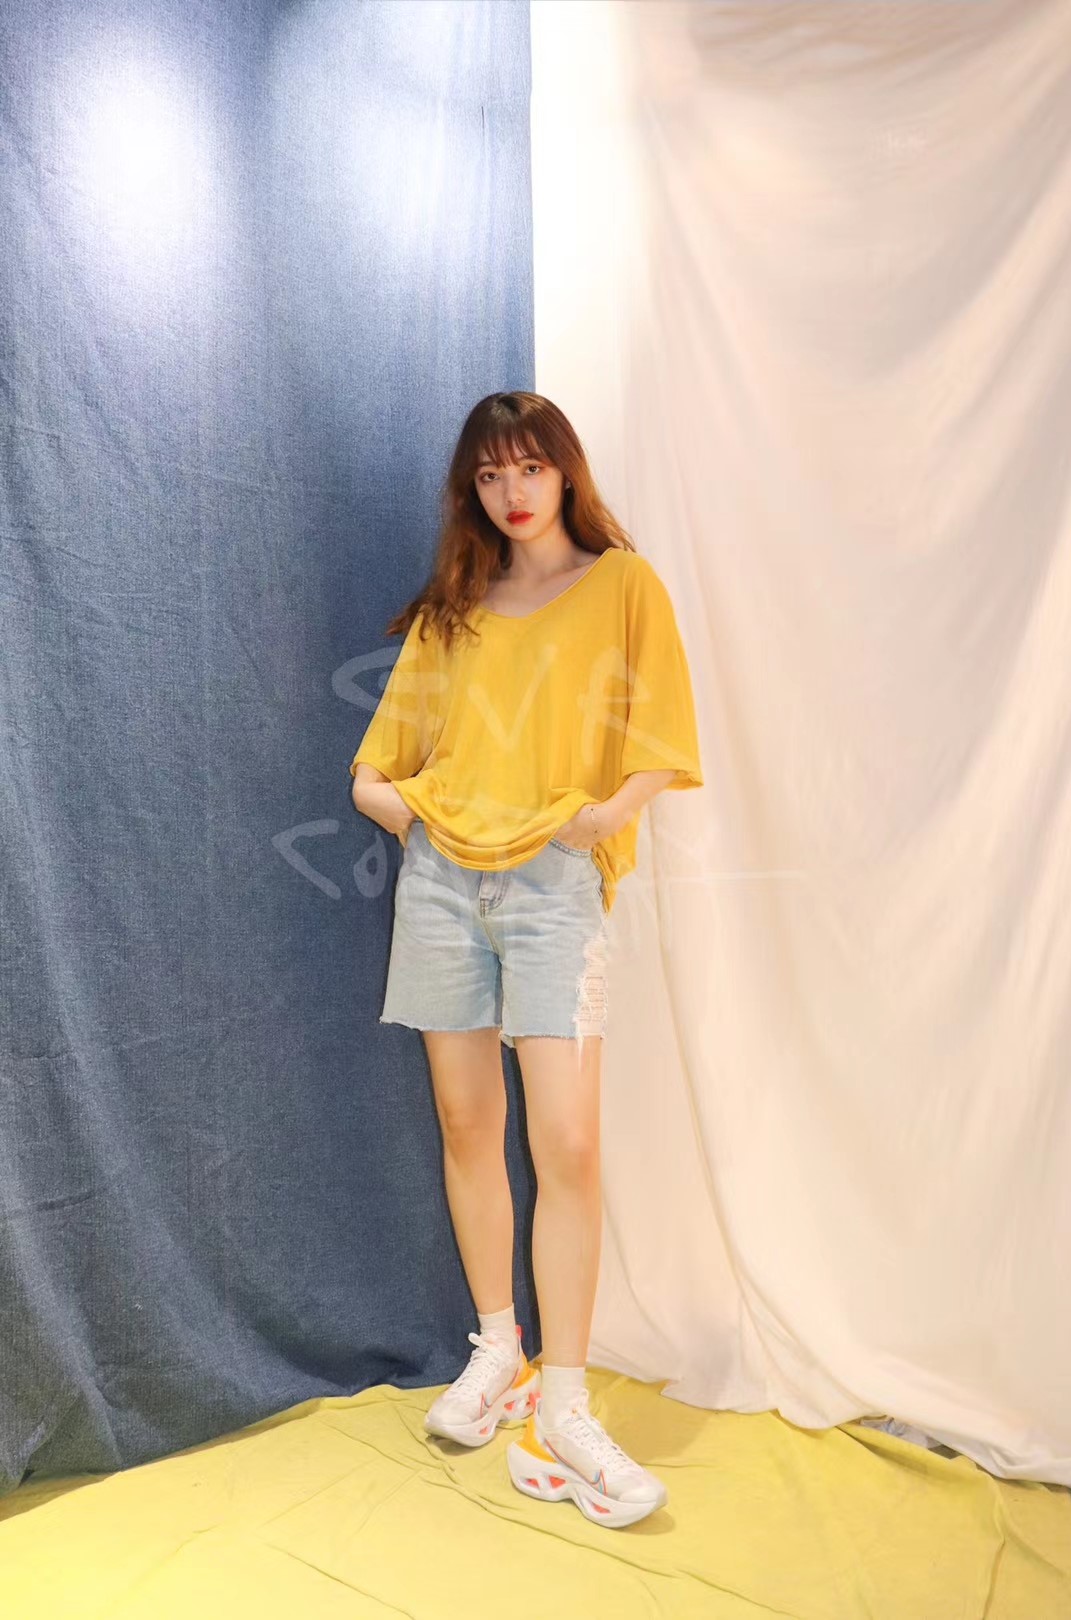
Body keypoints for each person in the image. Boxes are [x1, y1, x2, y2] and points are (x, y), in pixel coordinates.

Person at [349, 391, 704, 1529]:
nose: (513, 491)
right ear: (473, 487)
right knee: (468, 1127)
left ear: (565, 472)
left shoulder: (623, 585)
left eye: (531, 468)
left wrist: (600, 820)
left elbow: (665, 738)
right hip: (442, 889)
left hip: (557, 888)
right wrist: (424, 826)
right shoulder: (452, 611)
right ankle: (498, 1349)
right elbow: (373, 772)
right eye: (491, 473)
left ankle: (566, 1402)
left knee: (569, 1143)